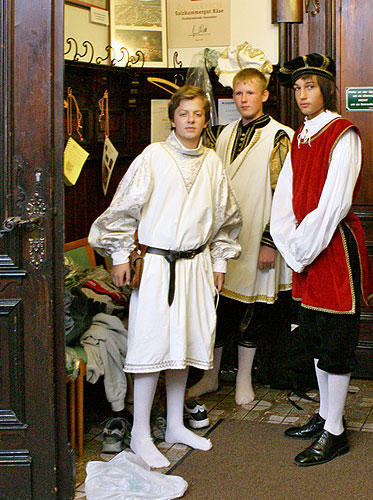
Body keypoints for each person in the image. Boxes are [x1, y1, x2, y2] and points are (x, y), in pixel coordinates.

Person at [88, 85, 242, 468]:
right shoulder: (153, 157)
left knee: (183, 346)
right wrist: (122, 255)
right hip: (157, 267)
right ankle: (141, 431)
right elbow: (123, 210)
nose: (191, 121)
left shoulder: (211, 162)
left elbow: (226, 219)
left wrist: (219, 263)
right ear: (172, 118)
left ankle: (174, 424)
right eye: (184, 114)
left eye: (198, 115)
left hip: (196, 266)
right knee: (152, 348)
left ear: (207, 120)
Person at [270, 53, 373, 466]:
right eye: (297, 88)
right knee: (315, 336)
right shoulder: (299, 136)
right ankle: (325, 414)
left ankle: (336, 431)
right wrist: (290, 244)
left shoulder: (343, 133)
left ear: (326, 89)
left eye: (310, 86)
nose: (301, 95)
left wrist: (302, 248)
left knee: (335, 340)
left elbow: (335, 202)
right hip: (305, 248)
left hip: (331, 248)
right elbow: (285, 195)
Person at [187, 68, 294, 406]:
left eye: (250, 93)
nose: (244, 99)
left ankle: (243, 380)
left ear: (264, 95)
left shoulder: (280, 136)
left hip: (257, 240)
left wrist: (269, 242)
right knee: (219, 310)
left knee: (252, 313)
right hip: (223, 241)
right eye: (238, 94)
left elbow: (283, 195)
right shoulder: (223, 133)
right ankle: (211, 376)